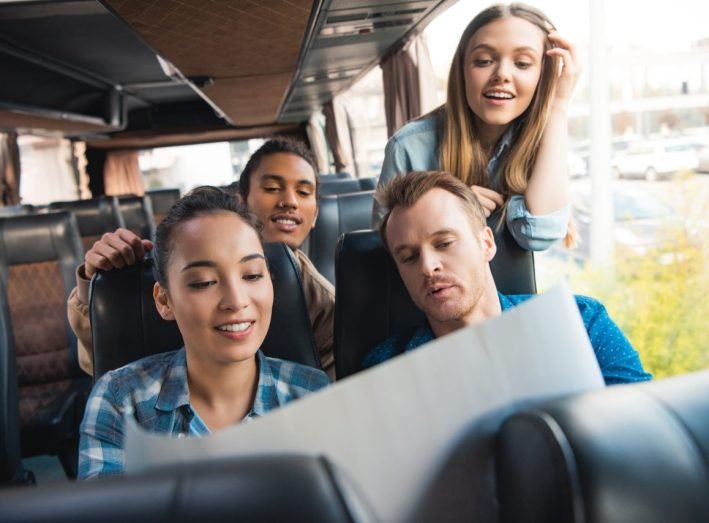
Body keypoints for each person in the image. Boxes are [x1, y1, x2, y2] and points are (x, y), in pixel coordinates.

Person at [78, 187, 330, 479]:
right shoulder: (121, 400)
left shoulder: (312, 394)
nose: (236, 300)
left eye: (252, 275)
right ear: (164, 300)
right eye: (203, 282)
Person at [67, 137, 336, 378]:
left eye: (303, 192)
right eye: (272, 188)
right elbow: (104, 362)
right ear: (241, 200)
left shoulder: (316, 295)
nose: (290, 201)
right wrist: (100, 284)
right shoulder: (126, 396)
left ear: (315, 216)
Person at [363, 171, 651, 385]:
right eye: (409, 257)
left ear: (486, 244)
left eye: (444, 243)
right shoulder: (384, 370)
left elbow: (645, 425)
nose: (428, 267)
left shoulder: (581, 322)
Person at [373, 3, 580, 252]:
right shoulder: (407, 147)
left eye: (523, 63)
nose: (502, 74)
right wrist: (450, 213)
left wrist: (557, 105)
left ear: (543, 76)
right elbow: (385, 252)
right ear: (462, 70)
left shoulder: (545, 143)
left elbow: (540, 235)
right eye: (483, 61)